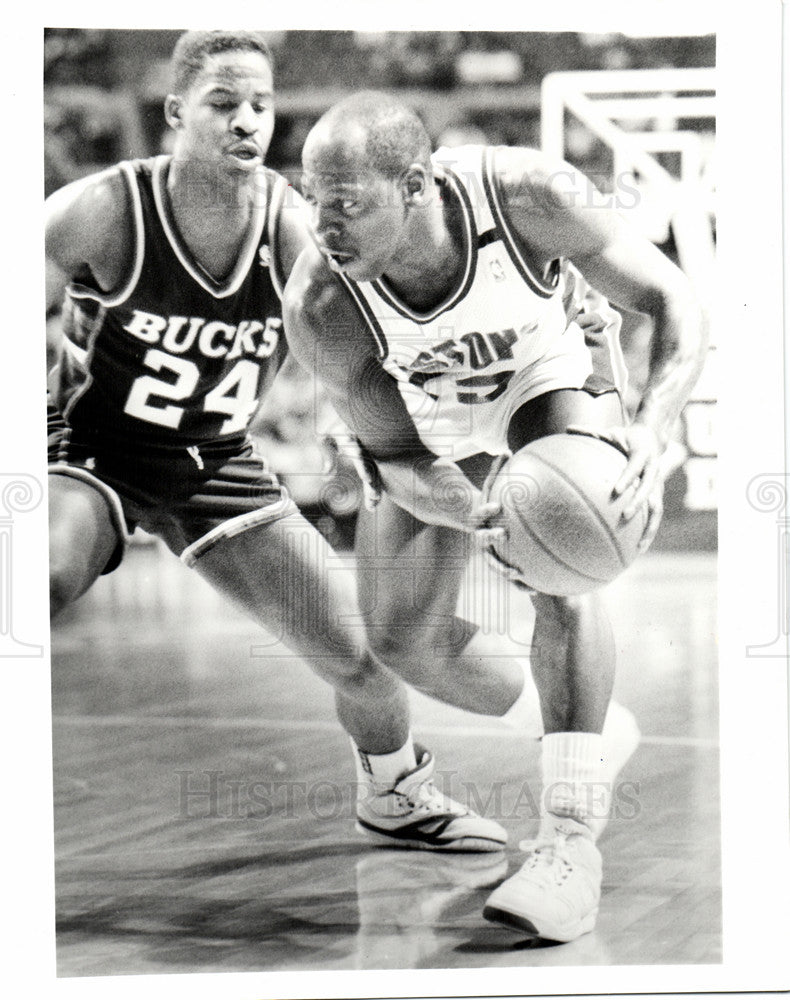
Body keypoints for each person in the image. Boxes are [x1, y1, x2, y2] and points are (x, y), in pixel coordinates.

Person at [45, 32, 509, 854]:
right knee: (38, 575)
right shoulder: (102, 209)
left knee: (362, 662)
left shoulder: (296, 229)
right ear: (177, 112)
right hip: (93, 449)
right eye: (224, 104)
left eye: (261, 104)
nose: (247, 121)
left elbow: (379, 324)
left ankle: (394, 793)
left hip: (215, 462)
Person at [283, 91, 708, 942]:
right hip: (425, 414)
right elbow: (396, 457)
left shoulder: (525, 197)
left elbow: (669, 298)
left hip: (545, 370)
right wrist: (469, 509)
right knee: (400, 641)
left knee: (566, 564)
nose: (323, 226)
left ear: (416, 183)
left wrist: (656, 429)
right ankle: (588, 725)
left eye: (348, 204)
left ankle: (568, 841)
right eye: (314, 200)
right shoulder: (324, 305)